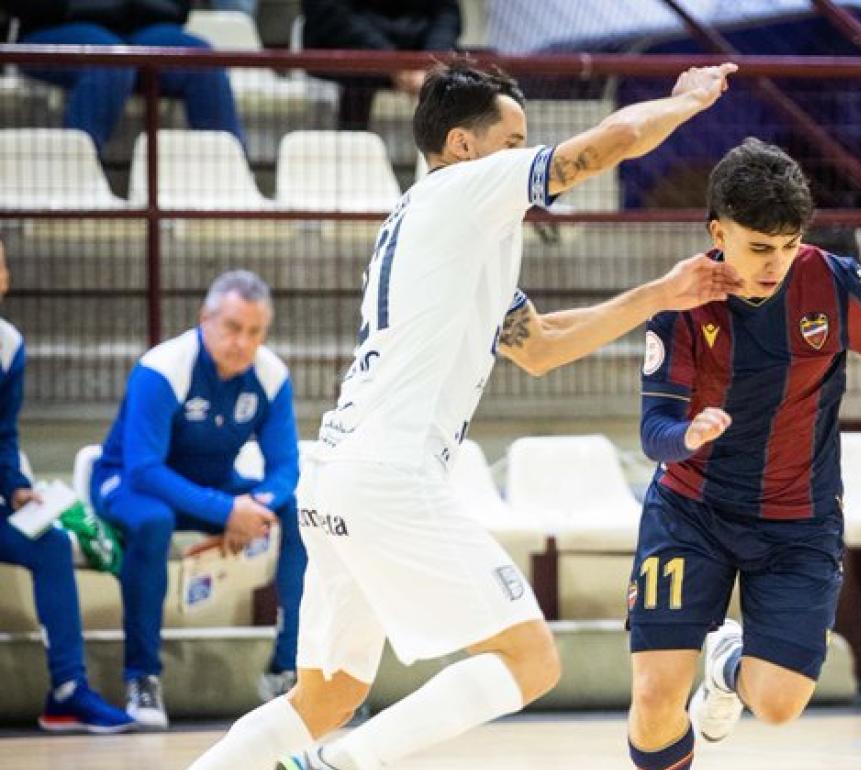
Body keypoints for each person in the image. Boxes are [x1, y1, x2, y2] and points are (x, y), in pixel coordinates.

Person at [183, 59, 740, 770]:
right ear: (464, 145)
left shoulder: (450, 230)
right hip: (389, 472)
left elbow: (539, 347)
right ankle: (338, 766)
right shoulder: (464, 190)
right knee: (530, 660)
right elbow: (604, 146)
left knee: (324, 698)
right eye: (514, 141)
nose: (526, 156)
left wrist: (659, 294)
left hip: (339, 476)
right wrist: (685, 102)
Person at [628, 139, 861, 767]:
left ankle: (726, 664)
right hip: (691, 511)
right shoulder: (679, 303)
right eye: (759, 247)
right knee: (653, 699)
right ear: (717, 231)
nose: (775, 263)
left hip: (798, 521)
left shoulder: (836, 285)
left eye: (787, 247)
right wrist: (688, 435)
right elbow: (654, 430)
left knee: (780, 704)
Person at [91, 270, 305, 729]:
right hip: (127, 483)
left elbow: (285, 468)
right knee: (153, 522)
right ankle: (142, 678)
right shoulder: (163, 368)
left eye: (254, 332)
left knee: (296, 512)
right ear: (204, 319)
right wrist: (227, 510)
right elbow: (144, 468)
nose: (241, 342)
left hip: (209, 487)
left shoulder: (271, 376)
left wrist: (258, 507)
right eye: (231, 327)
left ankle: (285, 671)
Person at [0, 239, 135, 733]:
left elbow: (4, 432)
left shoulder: (9, 344)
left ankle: (67, 692)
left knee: (52, 545)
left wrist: (15, 486)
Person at [5, 0, 244, 153]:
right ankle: (75, 181)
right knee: (110, 60)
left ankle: (230, 182)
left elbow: (179, 9)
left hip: (142, 29)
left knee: (202, 62)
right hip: (57, 27)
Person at [302, 0, 461, 130]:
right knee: (358, 80)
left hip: (421, 57)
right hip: (350, 55)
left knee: (462, 78)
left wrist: (430, 62)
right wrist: (392, 62)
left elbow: (447, 12)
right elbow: (330, 14)